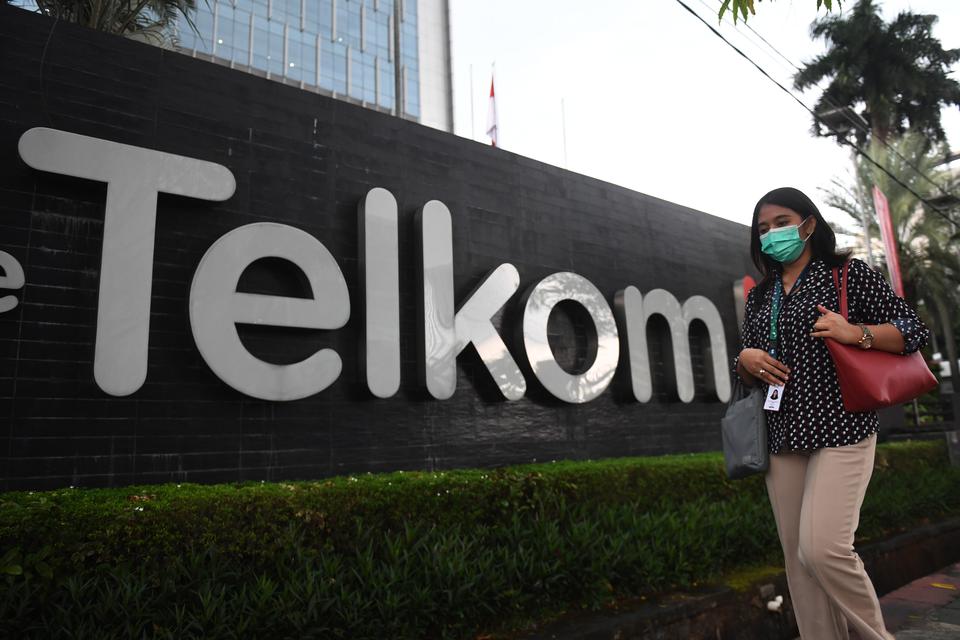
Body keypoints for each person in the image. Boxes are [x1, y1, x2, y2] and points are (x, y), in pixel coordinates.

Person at [734, 187, 929, 640]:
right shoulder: (760, 296)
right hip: (781, 435)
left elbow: (913, 329)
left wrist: (855, 332)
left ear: (808, 225)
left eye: (781, 223)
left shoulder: (846, 274)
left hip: (842, 427)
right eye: (763, 229)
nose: (772, 234)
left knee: (823, 550)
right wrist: (745, 360)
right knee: (798, 563)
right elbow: (745, 368)